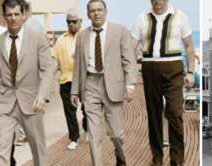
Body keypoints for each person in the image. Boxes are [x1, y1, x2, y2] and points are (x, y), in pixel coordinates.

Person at [70, 0, 137, 165]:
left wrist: (130, 84)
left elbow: (129, 59)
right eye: (92, 11)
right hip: (90, 84)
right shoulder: (82, 36)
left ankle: (120, 156)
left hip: (113, 85)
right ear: (87, 15)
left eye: (100, 10)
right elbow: (78, 64)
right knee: (93, 134)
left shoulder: (120, 31)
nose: (96, 13)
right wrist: (74, 90)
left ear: (106, 11)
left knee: (116, 134)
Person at [131, 0, 195, 165]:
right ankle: (157, 159)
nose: (156, 2)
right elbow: (131, 47)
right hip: (149, 69)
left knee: (174, 114)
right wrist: (129, 73)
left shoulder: (180, 17)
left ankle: (177, 161)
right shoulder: (142, 18)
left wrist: (190, 72)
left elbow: (188, 46)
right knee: (153, 115)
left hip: (173, 69)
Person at [0, 0, 56, 165]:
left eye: (16, 14)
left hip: (32, 102)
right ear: (4, 17)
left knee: (38, 149)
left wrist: (42, 95)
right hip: (4, 104)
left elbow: (48, 68)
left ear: (23, 15)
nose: (13, 18)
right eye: (9, 15)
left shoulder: (37, 39)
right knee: (1, 150)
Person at [52, 9, 89, 150]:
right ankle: (74, 138)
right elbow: (54, 60)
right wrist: (48, 80)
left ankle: (87, 129)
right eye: (69, 22)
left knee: (88, 109)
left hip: (85, 80)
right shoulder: (61, 39)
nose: (71, 24)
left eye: (74, 21)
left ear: (81, 21)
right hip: (66, 80)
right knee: (70, 112)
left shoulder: (87, 36)